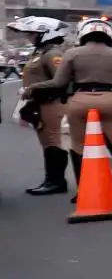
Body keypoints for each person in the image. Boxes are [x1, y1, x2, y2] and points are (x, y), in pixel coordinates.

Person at [31, 17, 112, 202]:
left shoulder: (72, 53)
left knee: (78, 145)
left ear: (83, 33)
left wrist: (33, 88)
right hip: (111, 100)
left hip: (80, 100)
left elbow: (59, 82)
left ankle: (82, 190)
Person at [19, 24, 71, 196]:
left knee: (52, 140)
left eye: (33, 34)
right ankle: (50, 179)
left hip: (51, 102)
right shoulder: (41, 53)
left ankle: (56, 181)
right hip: (40, 102)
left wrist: (34, 87)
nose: (29, 37)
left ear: (45, 35)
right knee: (46, 141)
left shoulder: (53, 54)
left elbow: (61, 80)